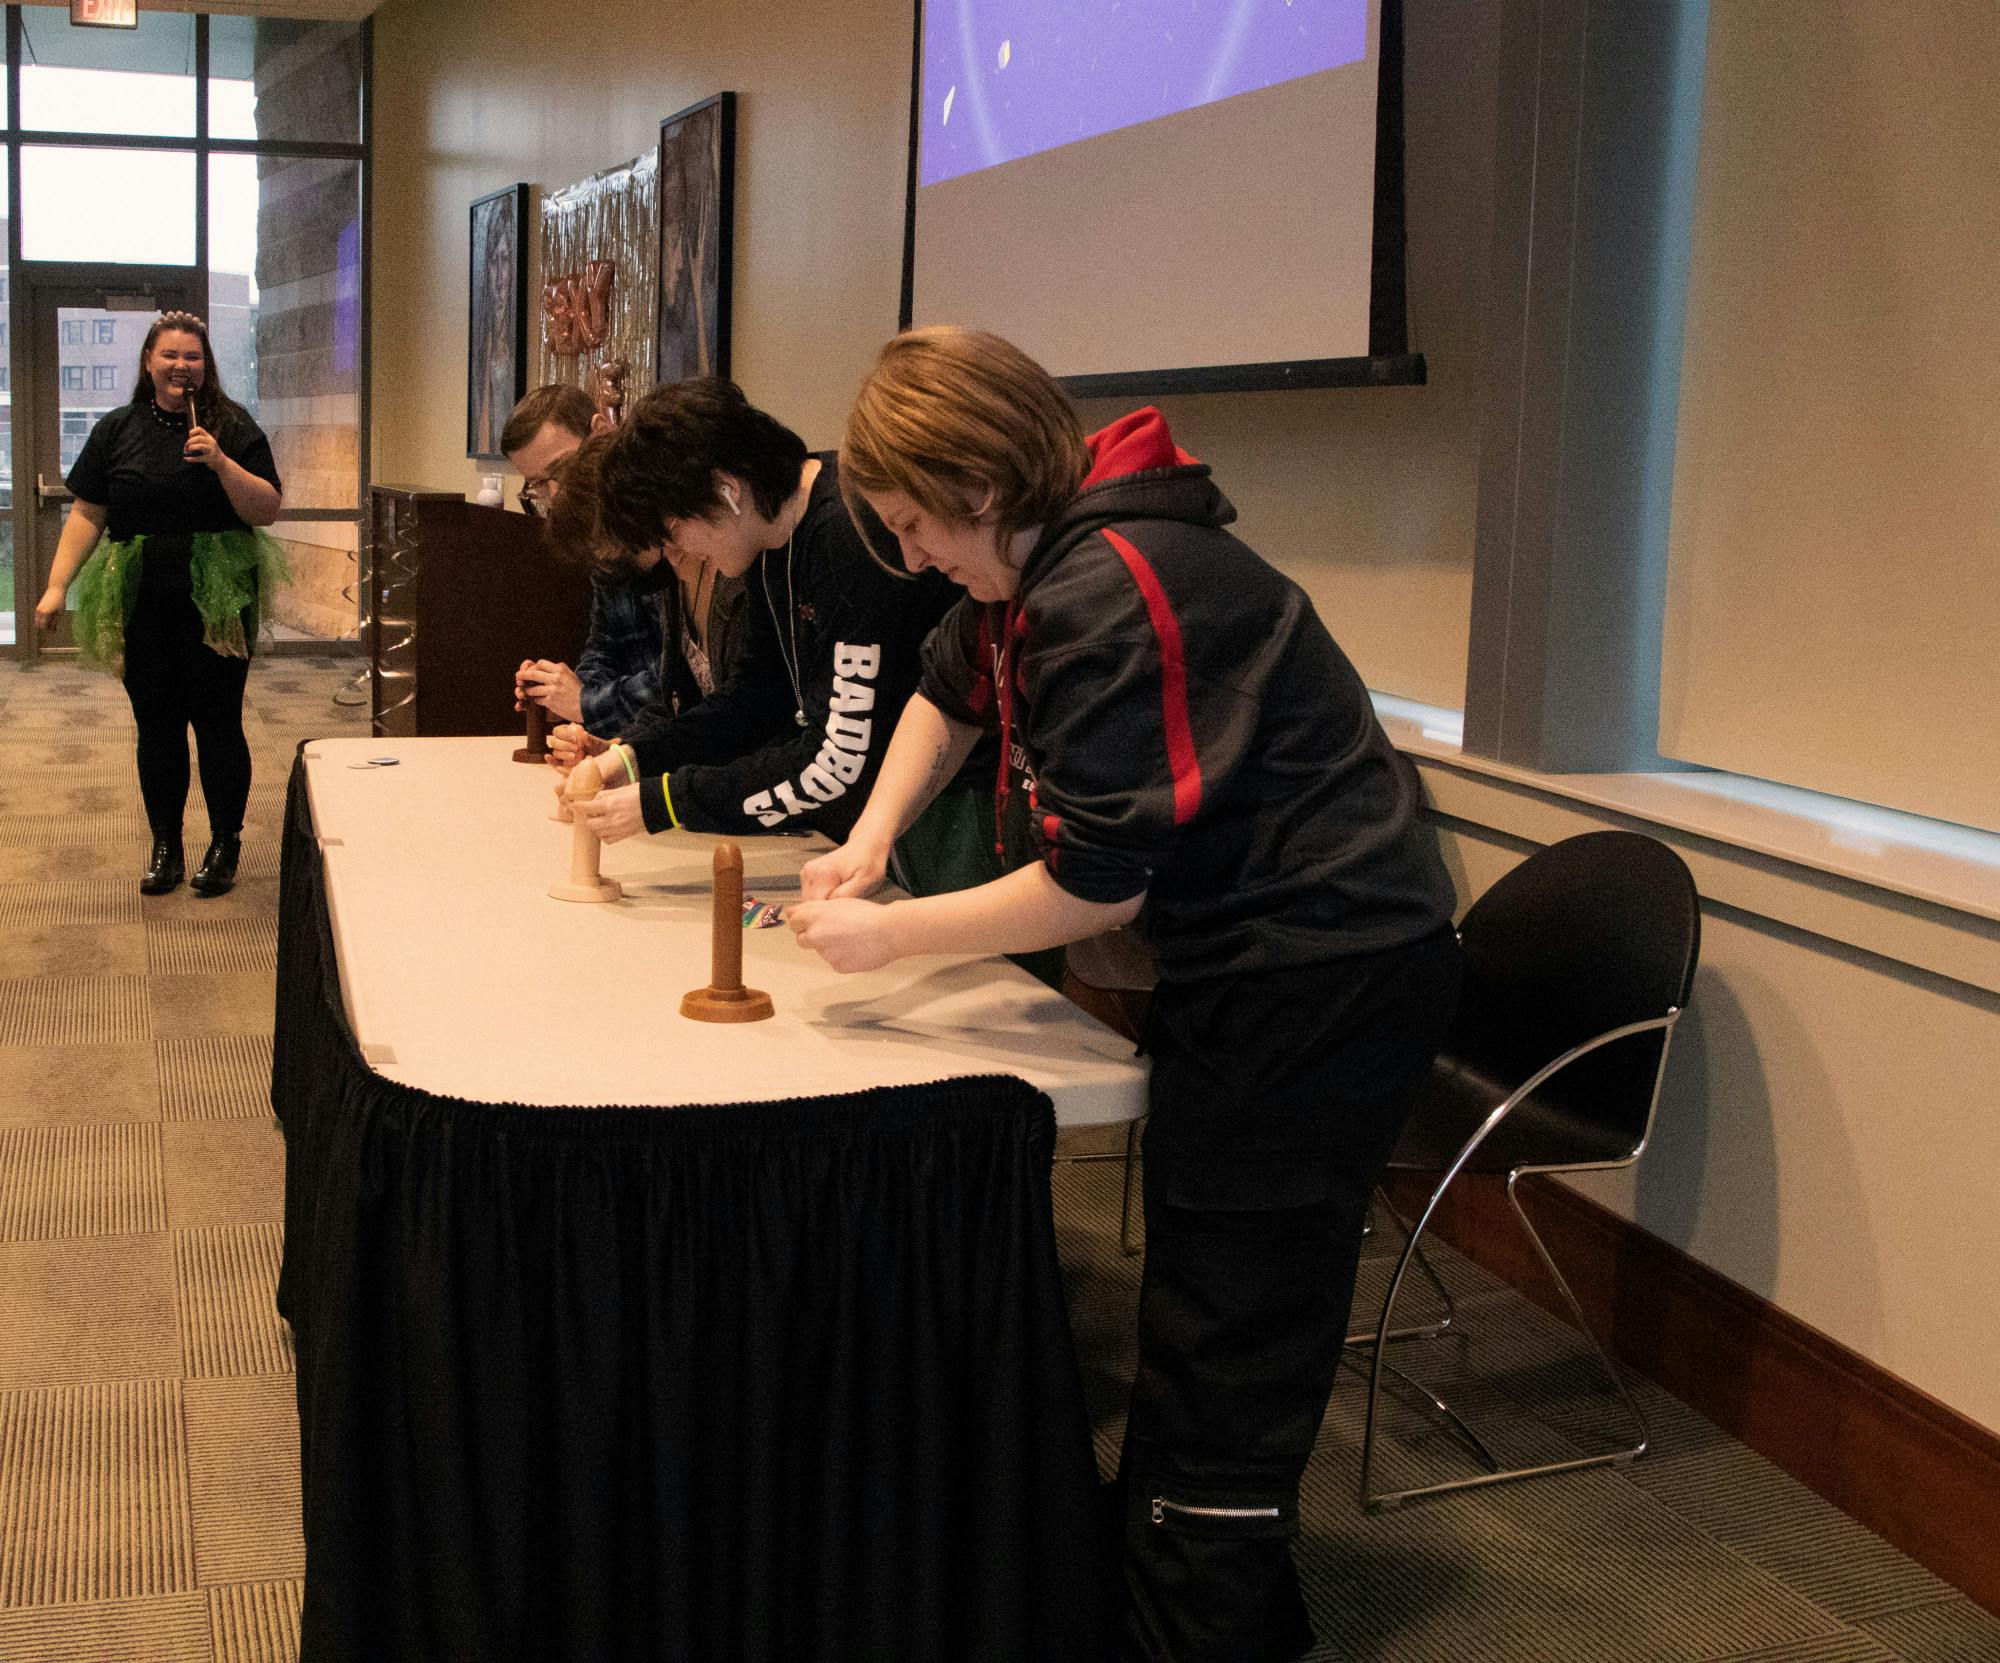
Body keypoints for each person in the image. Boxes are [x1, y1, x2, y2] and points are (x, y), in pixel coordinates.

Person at [787, 328, 1463, 1663]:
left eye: (919, 523)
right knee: (1204, 1296)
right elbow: (948, 691)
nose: (914, 554)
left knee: (1235, 1318)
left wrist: (895, 934)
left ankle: (1201, 1618)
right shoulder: (1043, 558)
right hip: (1267, 962)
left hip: (1323, 971)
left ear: (981, 487)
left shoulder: (1113, 586)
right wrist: (872, 839)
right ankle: (1189, 1577)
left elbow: (1093, 882)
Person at [545, 377, 962, 854]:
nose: (679, 550)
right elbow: (755, 699)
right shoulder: (769, 540)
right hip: (876, 824)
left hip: (940, 815)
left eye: (675, 529)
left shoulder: (846, 539)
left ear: (726, 489)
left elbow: (837, 762)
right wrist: (632, 756)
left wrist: (662, 802)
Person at [35, 310, 284, 898]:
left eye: (192, 357)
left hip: (218, 598)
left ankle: (224, 843)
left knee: (218, 721)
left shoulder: (232, 424)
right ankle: (165, 845)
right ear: (149, 364)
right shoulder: (116, 429)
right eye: (169, 356)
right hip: (141, 596)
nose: (181, 366)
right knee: (158, 724)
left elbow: (267, 508)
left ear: (206, 367)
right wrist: (55, 586)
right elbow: (89, 511)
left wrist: (221, 462)